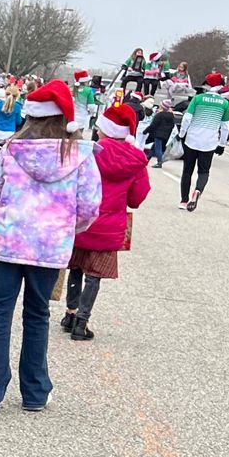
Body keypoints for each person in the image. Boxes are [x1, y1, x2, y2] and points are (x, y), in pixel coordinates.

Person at [0, 79, 101, 414]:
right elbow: (89, 206)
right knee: (38, 314)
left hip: (9, 241)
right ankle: (34, 391)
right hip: (50, 245)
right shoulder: (79, 155)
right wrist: (68, 230)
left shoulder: (12, 150)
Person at [61, 102, 150, 340]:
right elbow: (137, 198)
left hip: (82, 220)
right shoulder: (136, 160)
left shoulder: (89, 151)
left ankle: (70, 313)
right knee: (94, 275)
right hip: (110, 226)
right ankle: (82, 322)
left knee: (76, 266)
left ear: (105, 129)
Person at [175, 73, 229, 210]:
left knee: (187, 171)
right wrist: (222, 144)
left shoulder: (198, 98)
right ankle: (198, 190)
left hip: (192, 139)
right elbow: (225, 126)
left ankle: (184, 200)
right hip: (210, 142)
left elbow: (187, 118)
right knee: (204, 171)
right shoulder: (224, 103)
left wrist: (181, 134)